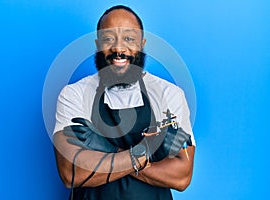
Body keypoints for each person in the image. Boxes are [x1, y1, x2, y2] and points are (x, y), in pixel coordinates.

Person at [53, 5, 196, 200]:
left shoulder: (168, 94)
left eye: (129, 39)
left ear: (142, 44)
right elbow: (72, 173)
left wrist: (105, 151)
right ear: (98, 44)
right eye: (108, 39)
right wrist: (148, 150)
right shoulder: (74, 95)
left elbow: (181, 176)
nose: (119, 49)